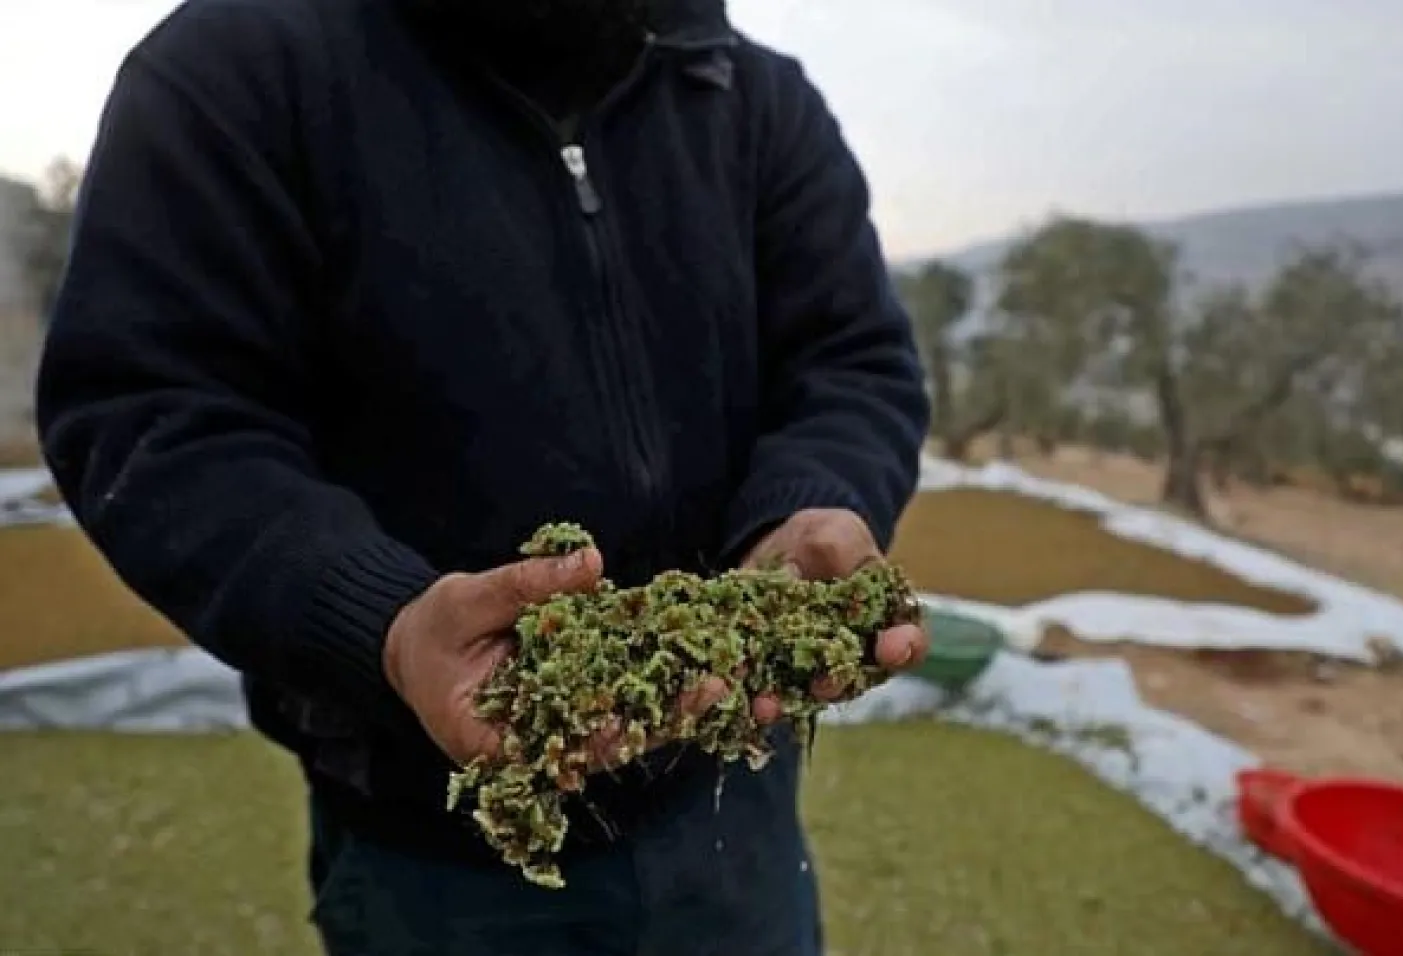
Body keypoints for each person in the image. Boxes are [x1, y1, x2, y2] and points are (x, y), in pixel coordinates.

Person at [34, 0, 931, 952]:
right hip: (430, 856)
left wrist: (799, 511)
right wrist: (381, 617)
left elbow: (853, 362)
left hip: (726, 809)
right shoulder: (235, 68)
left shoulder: (753, 99)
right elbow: (155, 413)